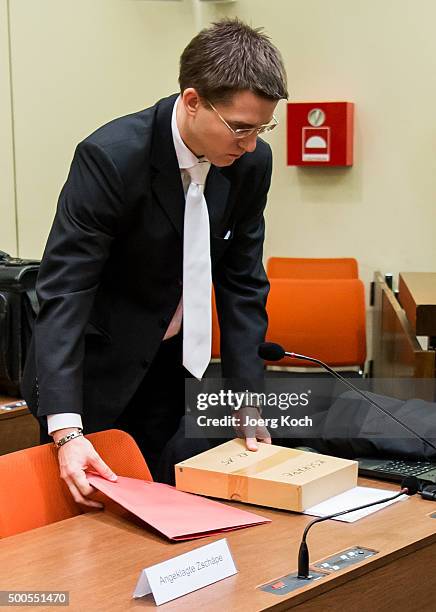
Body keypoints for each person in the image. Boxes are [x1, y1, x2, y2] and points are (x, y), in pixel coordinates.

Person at [21, 19, 288, 508]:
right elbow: (65, 291)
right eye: (241, 128)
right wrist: (66, 429)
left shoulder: (251, 163)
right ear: (192, 101)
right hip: (94, 372)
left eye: (262, 128)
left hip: (177, 367)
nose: (251, 144)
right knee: (88, 528)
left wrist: (248, 397)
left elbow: (243, 283)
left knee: (169, 512)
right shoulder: (111, 157)